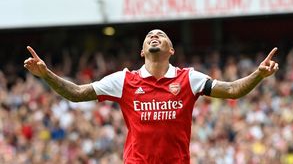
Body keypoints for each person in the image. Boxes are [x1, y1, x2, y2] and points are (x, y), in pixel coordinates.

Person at [24, 29, 279, 164]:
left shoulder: (189, 79)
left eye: (161, 35)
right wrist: (46, 74)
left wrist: (258, 74)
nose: (154, 37)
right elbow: (77, 93)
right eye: (149, 37)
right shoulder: (123, 80)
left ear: (171, 49)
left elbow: (234, 89)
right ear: (142, 51)